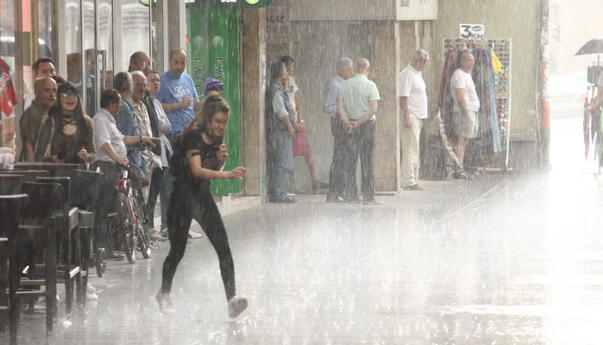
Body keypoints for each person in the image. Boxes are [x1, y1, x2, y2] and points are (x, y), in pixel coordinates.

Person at [156, 96, 247, 318]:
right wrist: (226, 173)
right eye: (217, 121)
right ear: (207, 118)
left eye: (224, 122)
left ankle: (231, 298)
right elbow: (196, 171)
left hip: (202, 196)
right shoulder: (194, 137)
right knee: (177, 251)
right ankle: (164, 292)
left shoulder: (216, 137)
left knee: (223, 248)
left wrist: (220, 160)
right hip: (182, 198)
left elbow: (208, 167)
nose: (221, 126)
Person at [92, 89, 157, 260]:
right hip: (107, 168)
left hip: (116, 167)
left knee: (118, 205)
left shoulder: (110, 120)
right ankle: (105, 248)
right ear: (112, 104)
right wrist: (117, 158)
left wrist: (142, 138)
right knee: (106, 209)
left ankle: (117, 242)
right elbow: (103, 143)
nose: (121, 105)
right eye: (120, 102)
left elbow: (121, 139)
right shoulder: (100, 120)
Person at [156, 48, 204, 236]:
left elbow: (195, 103)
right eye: (176, 62)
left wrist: (209, 100)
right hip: (173, 136)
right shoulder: (163, 81)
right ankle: (168, 225)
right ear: (169, 61)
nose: (180, 66)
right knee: (171, 181)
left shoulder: (188, 79)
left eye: (183, 62)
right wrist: (177, 105)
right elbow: (157, 107)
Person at [338, 58, 382, 205]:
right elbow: (373, 109)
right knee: (367, 161)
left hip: (350, 126)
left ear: (356, 68)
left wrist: (348, 122)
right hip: (367, 126)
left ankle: (351, 195)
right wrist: (360, 122)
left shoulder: (344, 85)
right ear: (368, 69)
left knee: (350, 161)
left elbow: (341, 107)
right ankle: (368, 196)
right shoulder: (371, 86)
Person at [280, 56, 327, 193]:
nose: (292, 69)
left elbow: (297, 101)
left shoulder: (291, 81)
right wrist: (292, 122)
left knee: (307, 149)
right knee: (288, 154)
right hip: (287, 123)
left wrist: (300, 120)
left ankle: (316, 181)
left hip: (296, 123)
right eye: (291, 66)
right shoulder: (277, 83)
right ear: (285, 66)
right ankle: (287, 184)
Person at [34, 82, 94, 163]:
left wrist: (86, 156)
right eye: (65, 95)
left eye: (73, 94)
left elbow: (93, 154)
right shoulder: (50, 122)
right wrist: (52, 159)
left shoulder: (86, 122)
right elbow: (38, 157)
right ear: (58, 98)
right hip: (56, 173)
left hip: (80, 173)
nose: (70, 98)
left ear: (78, 98)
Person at [146, 70, 172, 240]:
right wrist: (161, 125)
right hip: (152, 155)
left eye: (157, 80)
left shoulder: (156, 103)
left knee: (164, 190)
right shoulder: (147, 104)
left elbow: (166, 125)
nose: (156, 83)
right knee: (151, 193)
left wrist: (162, 125)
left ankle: (165, 226)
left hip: (161, 155)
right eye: (152, 81)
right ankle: (149, 228)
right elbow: (159, 125)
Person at [324, 57, 355, 202]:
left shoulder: (345, 83)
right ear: (341, 70)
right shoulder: (335, 84)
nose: (352, 72)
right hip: (338, 123)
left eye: (352, 68)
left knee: (345, 158)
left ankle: (341, 190)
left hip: (345, 122)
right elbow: (327, 106)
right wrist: (343, 108)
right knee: (339, 158)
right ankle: (333, 192)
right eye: (349, 69)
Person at [398, 49, 430, 191]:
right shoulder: (407, 74)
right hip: (411, 116)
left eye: (424, 62)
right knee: (410, 149)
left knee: (414, 148)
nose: (423, 64)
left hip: (419, 116)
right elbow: (403, 97)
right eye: (421, 61)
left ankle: (412, 178)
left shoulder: (417, 74)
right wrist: (406, 116)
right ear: (415, 60)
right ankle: (408, 180)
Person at [266, 62, 296, 203]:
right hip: (280, 131)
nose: (287, 75)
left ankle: (278, 192)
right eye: (285, 72)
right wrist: (289, 125)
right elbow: (280, 110)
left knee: (280, 162)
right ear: (281, 73)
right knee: (282, 163)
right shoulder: (275, 89)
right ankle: (279, 194)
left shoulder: (276, 88)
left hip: (279, 131)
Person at [450, 50, 480, 179]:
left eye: (473, 61)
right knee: (462, 140)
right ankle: (458, 168)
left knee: (465, 140)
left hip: (471, 111)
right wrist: (467, 113)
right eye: (469, 60)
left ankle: (460, 166)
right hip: (464, 112)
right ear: (462, 61)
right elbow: (461, 97)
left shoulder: (467, 75)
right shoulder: (459, 75)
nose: (471, 63)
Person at [20, 77, 57, 161]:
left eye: (54, 90)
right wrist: (34, 170)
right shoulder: (31, 114)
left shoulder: (53, 113)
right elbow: (28, 147)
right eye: (47, 90)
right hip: (38, 168)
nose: (52, 94)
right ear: (36, 92)